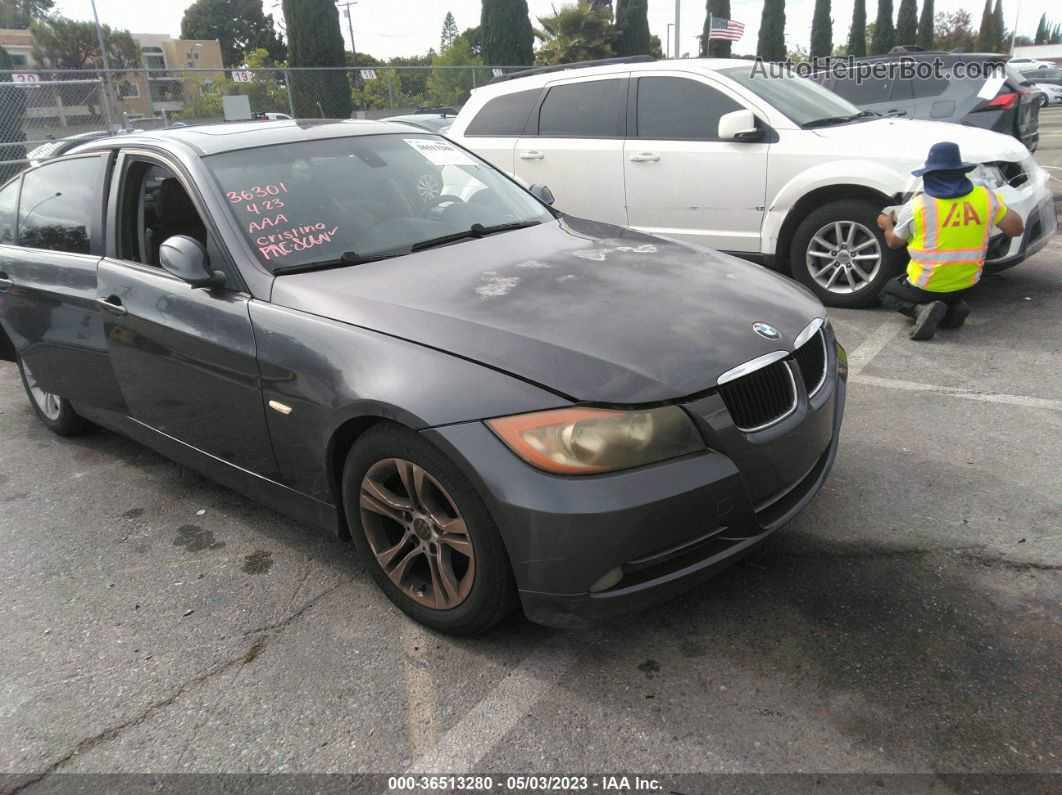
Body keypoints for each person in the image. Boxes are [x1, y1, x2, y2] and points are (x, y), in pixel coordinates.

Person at [876, 141, 1024, 341]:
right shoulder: (986, 198)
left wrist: (887, 226)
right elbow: (1016, 229)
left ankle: (920, 310)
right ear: (960, 173)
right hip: (967, 284)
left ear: (929, 176)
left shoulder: (918, 206)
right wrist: (991, 213)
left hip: (926, 287)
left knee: (888, 292)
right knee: (949, 294)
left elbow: (894, 243)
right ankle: (953, 310)